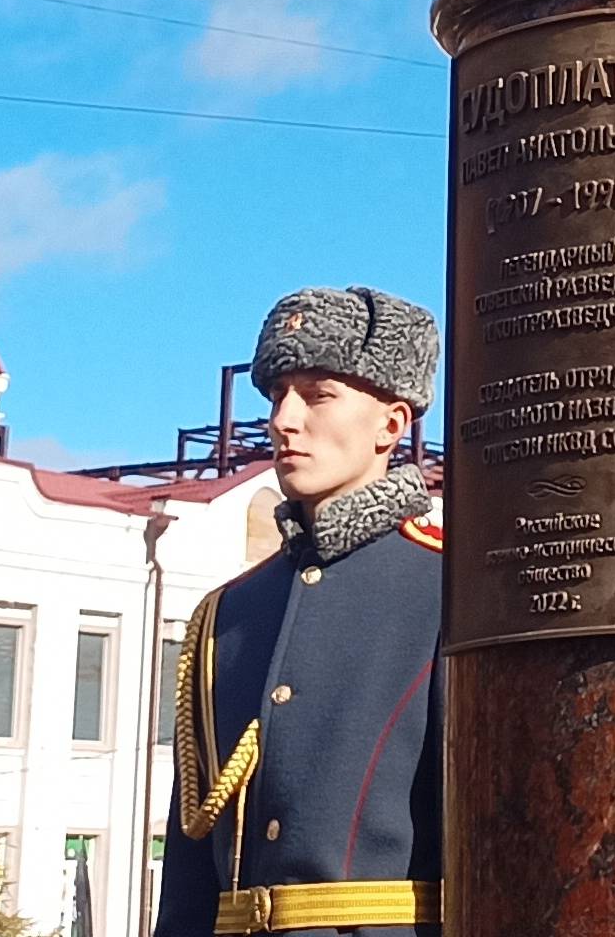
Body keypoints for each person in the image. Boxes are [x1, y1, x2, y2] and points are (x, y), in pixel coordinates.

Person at [157, 288, 444, 937]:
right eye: (276, 395)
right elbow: (188, 883)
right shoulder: (225, 617)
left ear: (391, 425)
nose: (285, 419)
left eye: (318, 395)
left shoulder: (448, 594)